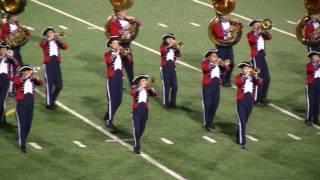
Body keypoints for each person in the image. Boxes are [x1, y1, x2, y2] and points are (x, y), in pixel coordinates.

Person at [107, 9, 141, 85]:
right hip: (117, 47)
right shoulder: (114, 22)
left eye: (124, 11)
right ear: (118, 13)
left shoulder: (128, 19)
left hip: (127, 46)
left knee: (129, 64)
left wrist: (133, 19)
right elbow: (114, 36)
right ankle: (118, 82)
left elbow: (138, 24)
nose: (125, 13)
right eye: (122, 12)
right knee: (118, 66)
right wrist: (123, 29)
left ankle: (132, 84)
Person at [14, 65, 43, 153]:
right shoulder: (18, 78)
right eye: (26, 70)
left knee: (28, 125)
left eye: (29, 70)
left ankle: (23, 138)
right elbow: (16, 83)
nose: (28, 72)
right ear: (23, 72)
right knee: (22, 124)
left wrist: (36, 78)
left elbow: (41, 83)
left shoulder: (32, 79)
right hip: (21, 104)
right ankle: (22, 144)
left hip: (30, 104)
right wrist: (26, 77)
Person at [235, 61, 263, 149]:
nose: (247, 70)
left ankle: (238, 133)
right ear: (242, 69)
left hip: (250, 101)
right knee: (242, 122)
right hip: (241, 101)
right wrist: (247, 76)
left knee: (245, 121)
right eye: (245, 68)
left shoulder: (253, 77)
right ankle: (242, 142)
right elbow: (239, 83)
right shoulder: (239, 77)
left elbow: (260, 83)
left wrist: (255, 76)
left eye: (248, 68)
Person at [201, 49, 230, 131]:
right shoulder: (205, 63)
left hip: (216, 87)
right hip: (207, 86)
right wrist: (215, 63)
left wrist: (225, 64)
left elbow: (227, 69)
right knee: (207, 105)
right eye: (214, 56)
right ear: (209, 57)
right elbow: (205, 69)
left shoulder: (218, 64)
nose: (216, 57)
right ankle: (206, 123)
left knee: (214, 105)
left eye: (216, 56)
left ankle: (210, 122)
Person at [39, 27, 68, 110]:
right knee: (49, 85)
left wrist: (58, 39)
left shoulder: (56, 41)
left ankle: (52, 100)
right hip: (48, 64)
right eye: (50, 32)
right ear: (46, 34)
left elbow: (65, 47)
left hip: (56, 64)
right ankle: (49, 104)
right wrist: (50, 38)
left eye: (52, 32)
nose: (52, 33)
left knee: (59, 85)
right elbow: (42, 45)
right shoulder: (44, 41)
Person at [1, 15, 30, 95]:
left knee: (19, 67)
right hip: (10, 49)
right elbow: (3, 38)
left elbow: (26, 34)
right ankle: (11, 90)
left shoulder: (18, 24)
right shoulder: (5, 26)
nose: (16, 17)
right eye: (14, 16)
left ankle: (18, 85)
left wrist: (24, 30)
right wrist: (12, 34)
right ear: (10, 17)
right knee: (13, 70)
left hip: (16, 48)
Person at [211, 13, 242, 87]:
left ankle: (227, 79)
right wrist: (228, 30)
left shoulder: (230, 21)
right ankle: (221, 80)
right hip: (221, 46)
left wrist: (238, 22)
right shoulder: (216, 23)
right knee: (222, 64)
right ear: (221, 16)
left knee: (231, 63)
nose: (227, 16)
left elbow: (240, 27)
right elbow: (219, 35)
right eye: (225, 15)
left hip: (229, 45)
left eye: (228, 14)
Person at [130, 74, 157, 154]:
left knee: (142, 129)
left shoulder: (147, 90)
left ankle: (136, 138)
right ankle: (137, 146)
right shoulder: (135, 88)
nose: (145, 81)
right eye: (143, 80)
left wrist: (152, 89)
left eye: (146, 80)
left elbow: (155, 94)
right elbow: (133, 92)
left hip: (145, 110)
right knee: (137, 129)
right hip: (136, 110)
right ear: (139, 82)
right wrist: (142, 87)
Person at [247, 20, 272, 105]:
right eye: (255, 24)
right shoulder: (250, 34)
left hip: (262, 56)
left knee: (267, 78)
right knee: (258, 77)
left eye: (258, 24)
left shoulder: (262, 33)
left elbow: (269, 37)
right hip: (256, 57)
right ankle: (255, 99)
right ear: (252, 26)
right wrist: (258, 32)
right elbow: (252, 40)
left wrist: (264, 31)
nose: (258, 25)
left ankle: (263, 97)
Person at [104, 37, 124, 129]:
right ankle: (109, 120)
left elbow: (129, 61)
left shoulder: (121, 54)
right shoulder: (107, 54)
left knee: (119, 100)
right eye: (115, 43)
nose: (117, 45)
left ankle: (107, 115)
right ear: (111, 45)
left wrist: (126, 54)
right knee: (112, 100)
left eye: (117, 43)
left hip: (119, 77)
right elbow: (109, 61)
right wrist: (116, 53)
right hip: (111, 77)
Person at [160, 33, 181, 108]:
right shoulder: (163, 46)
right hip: (164, 67)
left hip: (172, 67)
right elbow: (163, 51)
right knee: (166, 86)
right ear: (165, 40)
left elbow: (179, 55)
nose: (170, 40)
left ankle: (173, 102)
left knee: (175, 86)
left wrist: (177, 48)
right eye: (168, 39)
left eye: (172, 39)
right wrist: (171, 45)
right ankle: (166, 103)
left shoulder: (174, 47)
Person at [0, 42, 19, 124]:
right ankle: (3, 118)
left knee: (2, 100)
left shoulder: (8, 59)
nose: (4, 50)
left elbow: (17, 65)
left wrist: (10, 57)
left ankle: (1, 120)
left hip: (5, 80)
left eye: (5, 49)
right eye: (2, 49)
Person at [305, 51, 320, 126]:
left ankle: (315, 119)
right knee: (311, 103)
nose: (317, 57)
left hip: (318, 85)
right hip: (311, 85)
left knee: (317, 103)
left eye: (318, 56)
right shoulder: (309, 65)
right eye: (315, 56)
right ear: (311, 58)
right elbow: (310, 70)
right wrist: (318, 65)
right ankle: (308, 119)